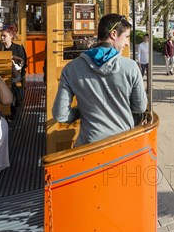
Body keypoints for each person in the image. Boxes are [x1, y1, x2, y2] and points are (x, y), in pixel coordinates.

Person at [52, 14, 147, 146]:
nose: (126, 43)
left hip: (88, 147)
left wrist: (82, 111)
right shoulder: (131, 67)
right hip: (123, 144)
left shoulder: (71, 69)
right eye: (126, 37)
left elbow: (60, 115)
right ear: (113, 34)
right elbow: (140, 107)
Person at [0, 25, 28, 120]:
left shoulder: (18, 48)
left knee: (10, 84)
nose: (2, 38)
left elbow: (23, 64)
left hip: (16, 75)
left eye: (4, 36)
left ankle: (11, 109)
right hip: (2, 74)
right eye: (1, 36)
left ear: (11, 36)